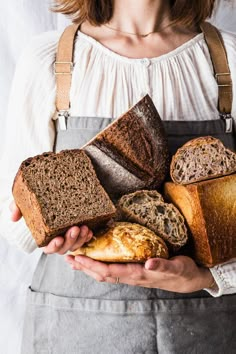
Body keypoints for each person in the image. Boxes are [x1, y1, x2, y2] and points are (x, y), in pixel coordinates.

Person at [1, 0, 236, 352]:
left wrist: (205, 278)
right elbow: (15, 225)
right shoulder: (53, 60)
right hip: (76, 330)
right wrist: (45, 230)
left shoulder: (228, 58)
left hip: (207, 329)